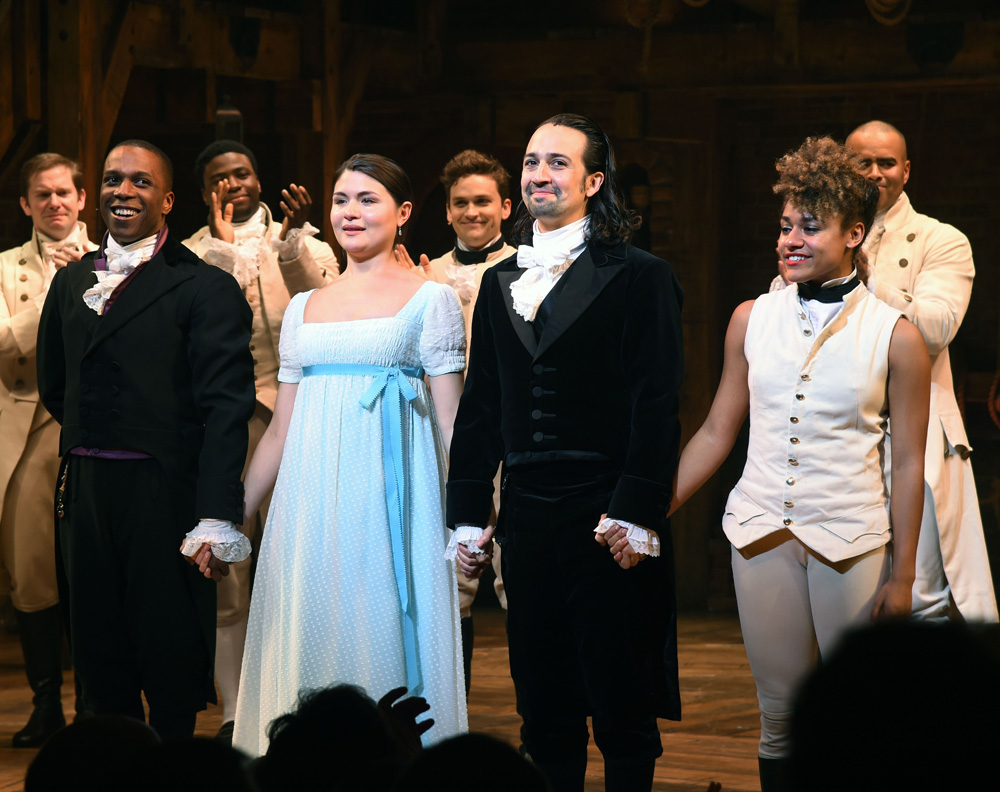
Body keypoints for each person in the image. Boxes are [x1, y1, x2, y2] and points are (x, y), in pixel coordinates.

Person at [651, 136, 930, 792]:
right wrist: (650, 509)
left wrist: (904, 576)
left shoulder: (897, 335)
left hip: (850, 538)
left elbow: (910, 461)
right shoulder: (750, 319)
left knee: (854, 716)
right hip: (760, 535)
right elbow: (717, 431)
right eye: (784, 226)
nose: (791, 240)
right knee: (778, 717)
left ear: (854, 233)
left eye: (810, 226)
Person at [446, 113, 685, 792]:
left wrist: (635, 508)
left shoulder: (639, 275)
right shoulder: (501, 281)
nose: (539, 174)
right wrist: (467, 512)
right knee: (543, 701)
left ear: (593, 181)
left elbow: (657, 401)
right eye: (530, 162)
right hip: (527, 513)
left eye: (557, 162)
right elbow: (483, 403)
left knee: (620, 696)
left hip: (606, 512)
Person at [231, 153, 468, 755]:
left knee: (379, 627)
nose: (350, 212)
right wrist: (232, 517)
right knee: (309, 630)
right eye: (341, 200)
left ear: (403, 212)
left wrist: (470, 515)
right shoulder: (304, 307)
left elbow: (451, 421)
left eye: (367, 199)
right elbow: (279, 433)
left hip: (390, 504)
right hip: (309, 506)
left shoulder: (430, 300)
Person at [36, 139, 256, 741]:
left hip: (164, 489)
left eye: (140, 181)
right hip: (85, 487)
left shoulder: (203, 285)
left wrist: (215, 513)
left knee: (168, 646)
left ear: (168, 199)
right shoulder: (71, 281)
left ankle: (172, 766)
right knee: (99, 646)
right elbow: (56, 385)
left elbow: (226, 409)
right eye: (113, 179)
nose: (123, 191)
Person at [182, 140, 339, 740]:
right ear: (205, 191)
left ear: (258, 177)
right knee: (229, 572)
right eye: (220, 177)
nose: (235, 184)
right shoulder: (193, 253)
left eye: (242, 172)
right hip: (222, 425)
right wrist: (222, 250)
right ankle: (233, 713)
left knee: (298, 562)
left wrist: (291, 244)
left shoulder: (304, 242)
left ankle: (299, 704)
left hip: (298, 416)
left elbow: (326, 309)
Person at [844, 120, 997, 622]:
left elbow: (936, 328)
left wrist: (861, 278)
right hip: (844, 428)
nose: (875, 173)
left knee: (920, 595)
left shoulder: (942, 239)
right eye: (862, 162)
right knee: (850, 591)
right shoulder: (821, 234)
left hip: (919, 428)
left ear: (905, 170)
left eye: (886, 163)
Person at [397, 149, 514, 695]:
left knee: (516, 572)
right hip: (441, 438)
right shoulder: (422, 275)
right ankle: (450, 714)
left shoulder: (529, 268)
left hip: (509, 435)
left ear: (505, 207)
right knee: (450, 581)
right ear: (446, 211)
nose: (472, 211)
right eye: (460, 202)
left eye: (482, 200)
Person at [0, 153, 97, 746]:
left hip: (92, 426)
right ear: (25, 204)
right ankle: (44, 705)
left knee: (92, 570)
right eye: (43, 194)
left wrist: (82, 278)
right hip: (25, 429)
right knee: (32, 571)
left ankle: (93, 701)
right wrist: (51, 297)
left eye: (65, 192)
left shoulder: (112, 257)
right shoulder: (6, 268)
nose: (55, 203)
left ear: (82, 198)